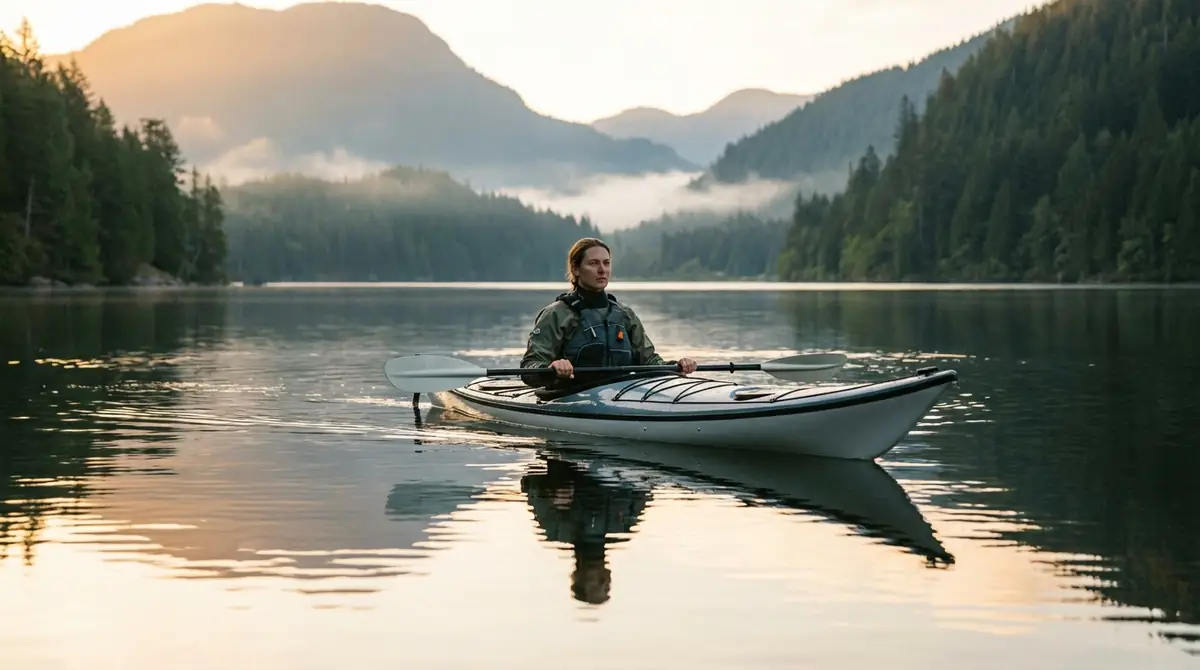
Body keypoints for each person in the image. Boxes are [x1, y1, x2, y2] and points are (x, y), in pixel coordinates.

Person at [520, 237, 697, 388]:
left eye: (606, 263)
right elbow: (529, 368)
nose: (602, 270)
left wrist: (676, 366)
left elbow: (649, 361)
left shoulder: (624, 314)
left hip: (621, 395)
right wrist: (553, 367)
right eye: (593, 263)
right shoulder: (557, 314)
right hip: (568, 395)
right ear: (575, 269)